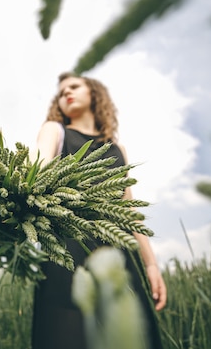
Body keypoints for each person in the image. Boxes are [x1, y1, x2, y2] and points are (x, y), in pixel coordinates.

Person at [31, 72, 167, 349]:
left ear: (93, 93)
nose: (66, 92)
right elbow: (39, 169)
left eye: (74, 86)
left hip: (119, 252)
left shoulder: (118, 149)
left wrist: (150, 264)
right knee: (67, 335)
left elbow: (129, 209)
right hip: (68, 248)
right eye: (61, 91)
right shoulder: (55, 131)